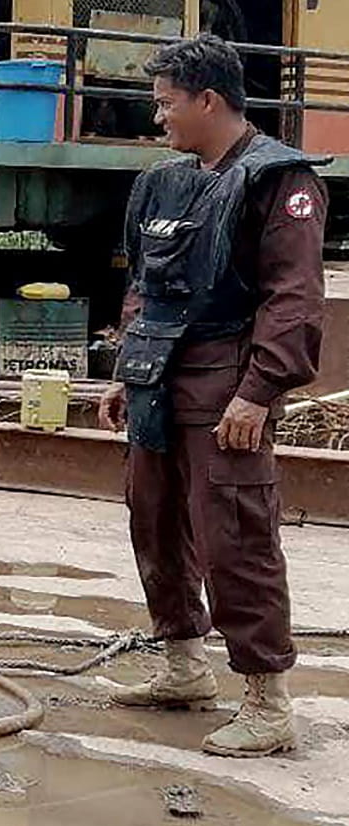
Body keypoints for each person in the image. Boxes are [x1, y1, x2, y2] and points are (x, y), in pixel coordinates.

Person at [99, 34, 324, 757]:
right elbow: (145, 287)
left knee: (236, 536)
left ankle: (266, 701)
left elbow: (294, 300)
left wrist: (258, 392)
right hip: (157, 382)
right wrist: (123, 373)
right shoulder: (161, 183)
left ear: (208, 99)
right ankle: (184, 666)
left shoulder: (278, 181)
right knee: (155, 520)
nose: (158, 117)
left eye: (167, 104)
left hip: (227, 383)